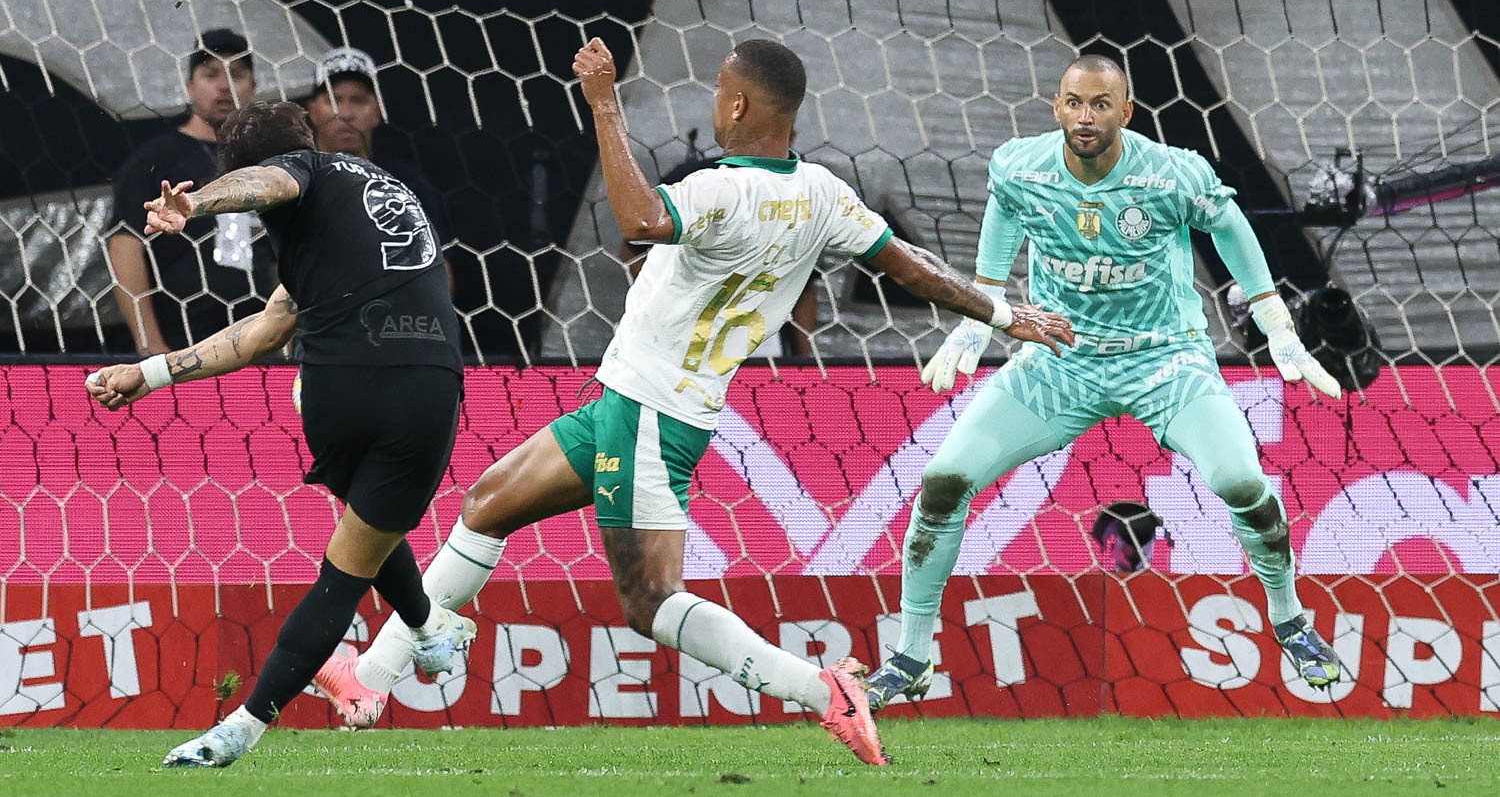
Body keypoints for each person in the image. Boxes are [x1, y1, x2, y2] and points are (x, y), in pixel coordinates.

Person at [310, 38, 1073, 766]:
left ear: (739, 107)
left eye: (718, 89)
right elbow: (911, 268)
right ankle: (372, 684)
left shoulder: (718, 188)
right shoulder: (823, 193)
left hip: (649, 412)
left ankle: (824, 690)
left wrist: (603, 103)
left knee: (650, 602)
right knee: (488, 503)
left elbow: (642, 220)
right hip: (634, 402)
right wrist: (1005, 314)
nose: (714, 101)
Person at [862, 55, 1346, 712]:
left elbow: (1230, 224)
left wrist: (1276, 324)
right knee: (944, 481)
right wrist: (984, 311)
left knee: (1243, 485)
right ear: (1056, 106)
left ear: (1126, 112)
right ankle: (911, 658)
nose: (1084, 117)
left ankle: (1291, 622)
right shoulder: (1020, 165)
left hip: (1165, 361)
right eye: (1073, 103)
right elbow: (1006, 207)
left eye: (1099, 105)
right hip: (1062, 359)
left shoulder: (1170, 172)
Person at [85, 101, 476, 768]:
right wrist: (149, 374)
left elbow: (267, 184)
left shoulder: (290, 175)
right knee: (358, 550)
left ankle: (252, 721)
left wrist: (198, 203)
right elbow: (266, 328)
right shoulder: (370, 189)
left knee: (350, 559)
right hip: (432, 382)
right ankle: (422, 627)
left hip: (343, 385)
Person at [106, 28, 274, 353]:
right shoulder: (154, 160)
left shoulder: (267, 165)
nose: (224, 85)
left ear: (253, 88)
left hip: (260, 344)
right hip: (182, 345)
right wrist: (150, 345)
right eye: (211, 74)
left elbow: (283, 258)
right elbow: (125, 245)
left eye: (236, 75)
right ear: (190, 87)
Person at [619, 151, 817, 357]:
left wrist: (805, 362)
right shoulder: (692, 178)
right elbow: (633, 248)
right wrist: (662, 304)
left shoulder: (798, 193)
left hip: (755, 338)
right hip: (681, 334)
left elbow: (806, 288)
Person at [305, 46, 455, 295]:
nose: (347, 113)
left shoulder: (404, 184)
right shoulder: (294, 178)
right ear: (311, 110)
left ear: (378, 110)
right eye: (334, 100)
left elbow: (438, 270)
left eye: (359, 100)